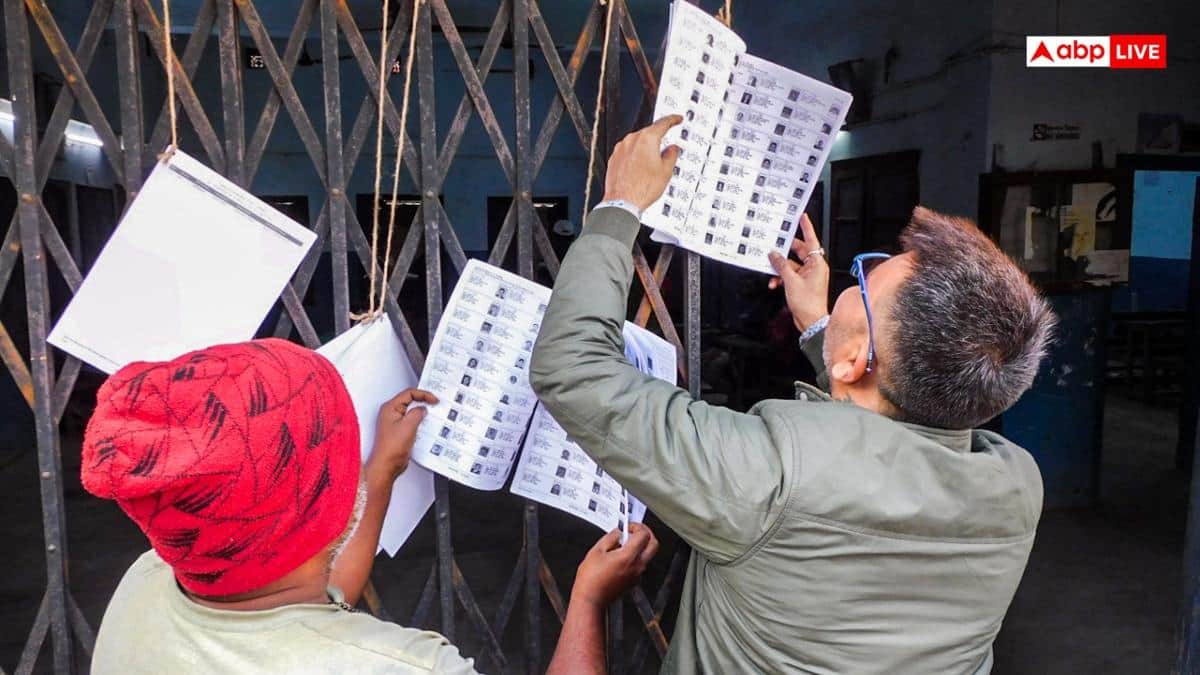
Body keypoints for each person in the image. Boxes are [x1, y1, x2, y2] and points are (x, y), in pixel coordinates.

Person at [530, 116, 1056, 674]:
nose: (849, 286)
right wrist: (826, 337)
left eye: (863, 283)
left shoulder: (772, 475)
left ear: (858, 361)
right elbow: (890, 433)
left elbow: (572, 368)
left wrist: (619, 207)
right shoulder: (1017, 485)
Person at [84, 338, 658, 674]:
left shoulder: (149, 582)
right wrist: (586, 599)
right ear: (320, 506)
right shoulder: (403, 669)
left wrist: (379, 474)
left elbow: (307, 595)